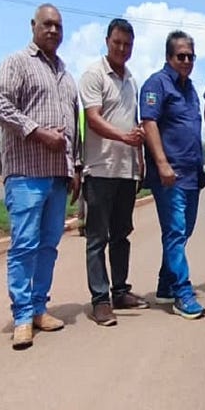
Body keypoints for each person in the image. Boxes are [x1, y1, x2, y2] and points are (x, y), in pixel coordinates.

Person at [0, 4, 81, 349]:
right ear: (33, 25)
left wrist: (74, 167)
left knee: (48, 246)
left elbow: (73, 127)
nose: (53, 30)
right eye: (47, 24)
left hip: (58, 176)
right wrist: (39, 132)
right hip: (26, 173)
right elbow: (0, 106)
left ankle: (40, 307)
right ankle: (22, 316)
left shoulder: (66, 75)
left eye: (58, 26)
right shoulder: (16, 63)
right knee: (25, 245)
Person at [78, 18, 149, 326]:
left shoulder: (131, 81)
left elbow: (134, 123)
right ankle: (100, 300)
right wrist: (124, 138)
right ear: (107, 41)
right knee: (97, 238)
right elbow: (93, 118)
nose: (122, 49)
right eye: (117, 42)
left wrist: (139, 157)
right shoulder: (94, 75)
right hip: (99, 169)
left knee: (122, 234)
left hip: (125, 170)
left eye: (127, 44)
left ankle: (120, 291)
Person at [141, 31, 205, 320]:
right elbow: (149, 123)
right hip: (169, 175)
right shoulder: (156, 84)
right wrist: (162, 163)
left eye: (191, 56)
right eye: (181, 56)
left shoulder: (190, 89)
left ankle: (165, 284)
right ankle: (182, 293)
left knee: (184, 230)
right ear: (169, 57)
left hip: (191, 174)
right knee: (176, 231)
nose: (187, 61)